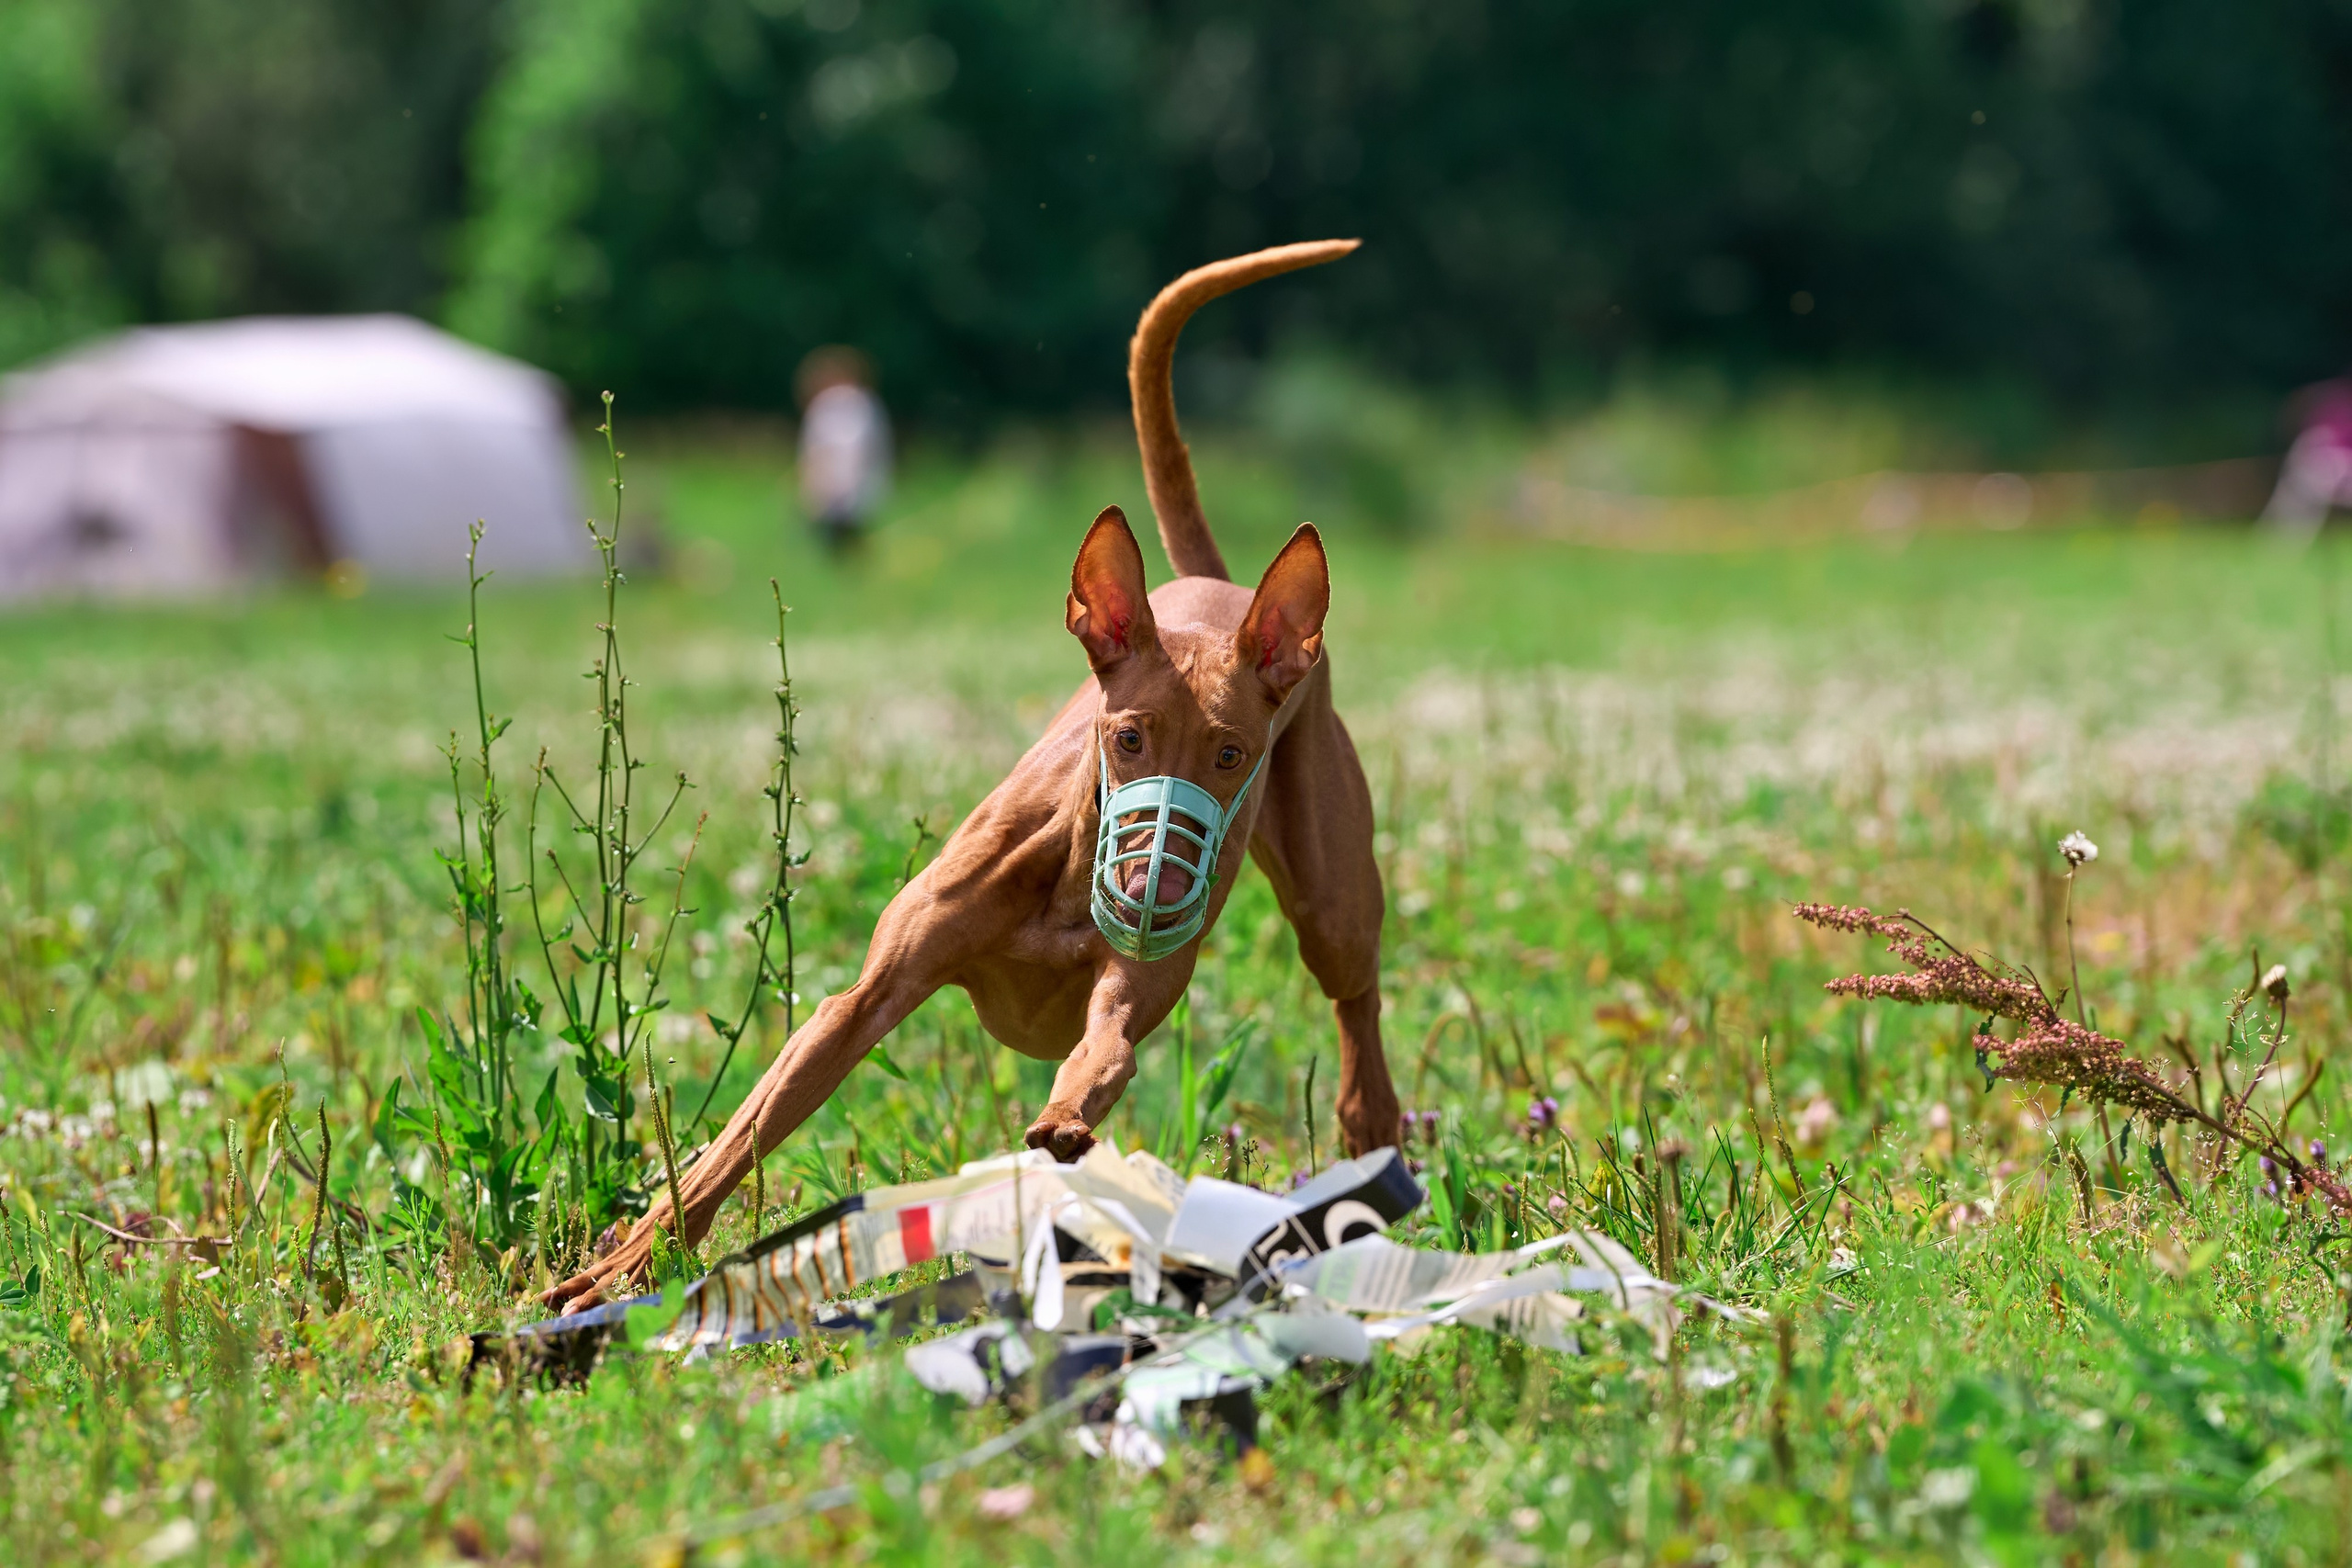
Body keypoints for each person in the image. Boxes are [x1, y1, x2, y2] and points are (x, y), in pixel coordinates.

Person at [795, 346, 891, 549]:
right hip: (857, 485)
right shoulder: (866, 403)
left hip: (839, 485)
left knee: (838, 543)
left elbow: (841, 451)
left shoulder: (836, 405)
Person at [2262, 377, 2352, 539]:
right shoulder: (2329, 404)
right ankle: (2281, 541)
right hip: (2316, 473)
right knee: (2298, 497)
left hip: (2342, 475)